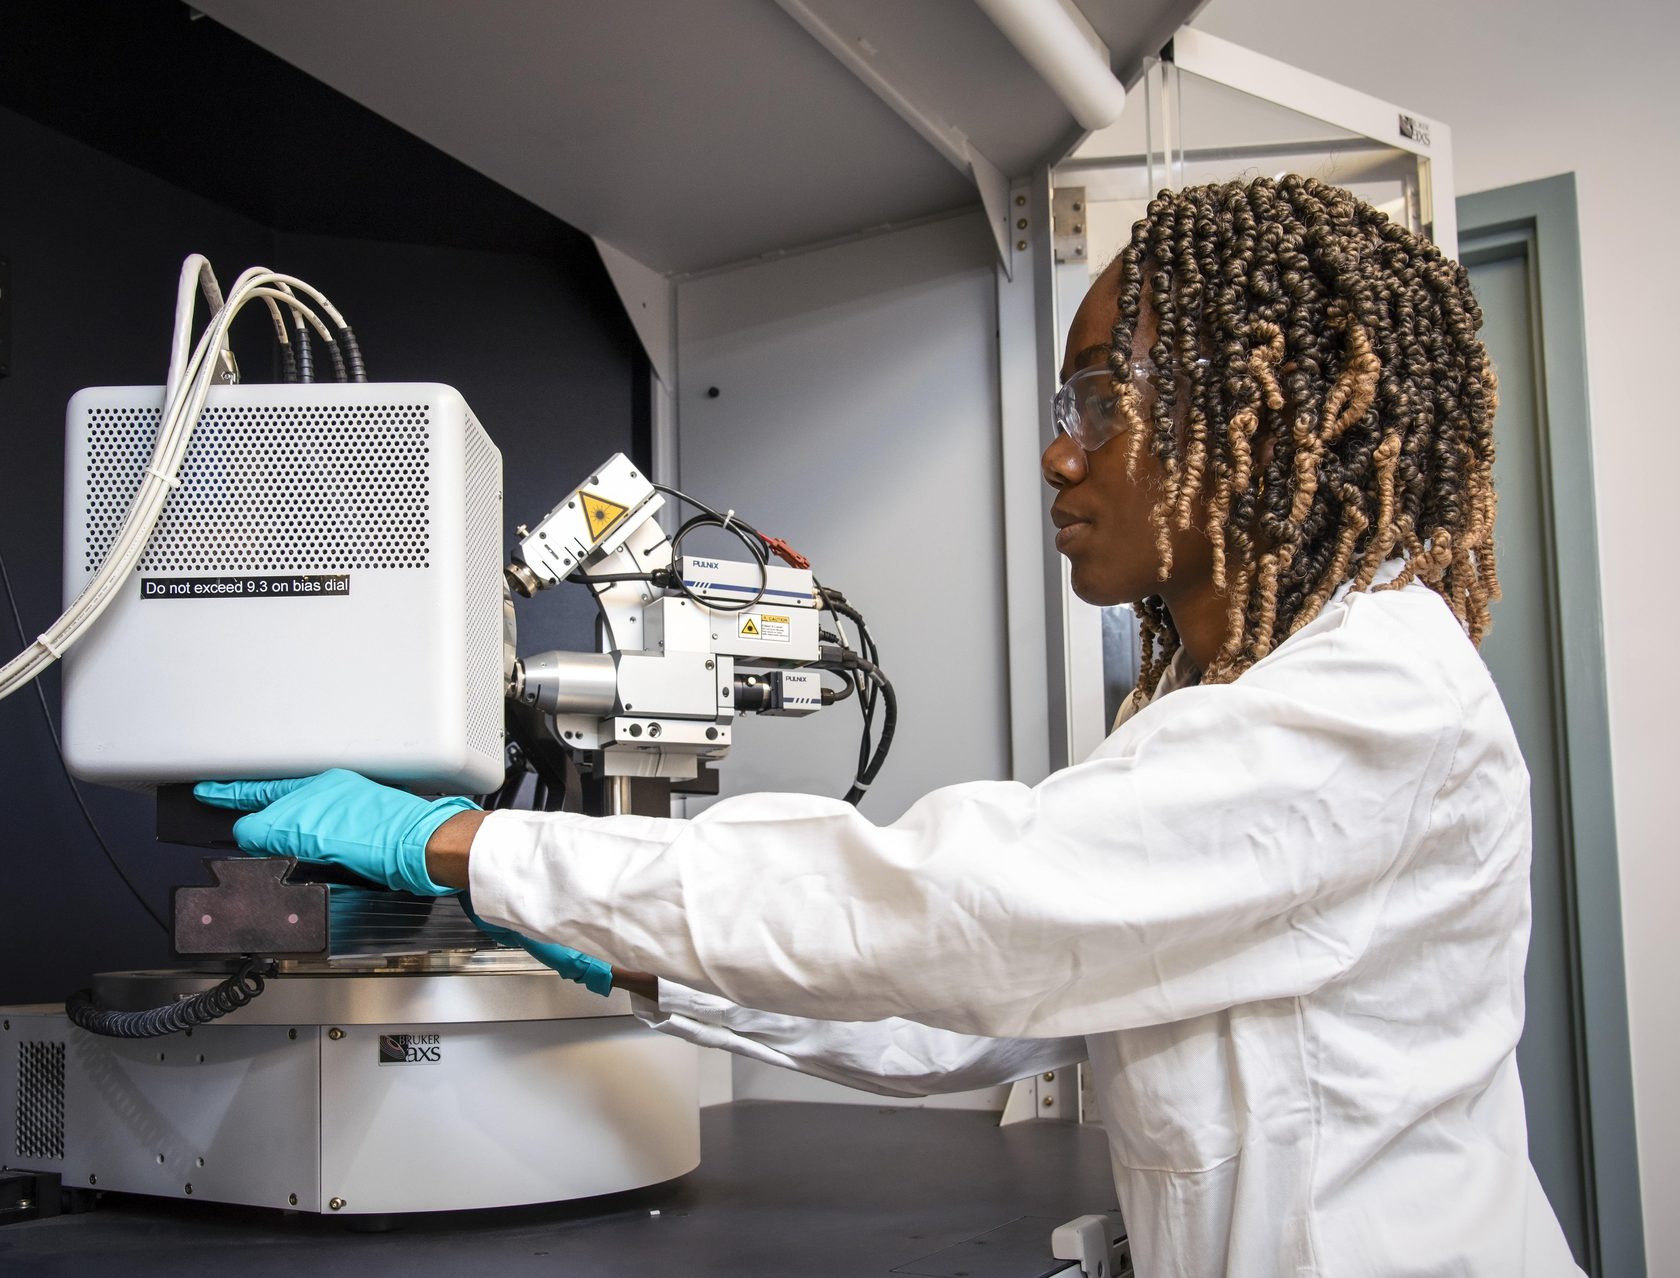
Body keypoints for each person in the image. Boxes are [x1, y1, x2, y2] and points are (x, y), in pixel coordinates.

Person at [196, 176, 1581, 1276]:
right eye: (1066, 404)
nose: (1061, 449)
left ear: (1259, 413)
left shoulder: (1376, 699)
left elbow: (949, 910)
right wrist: (623, 958)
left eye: (1105, 397)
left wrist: (465, 844)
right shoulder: (1211, 709)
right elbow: (962, 1021)